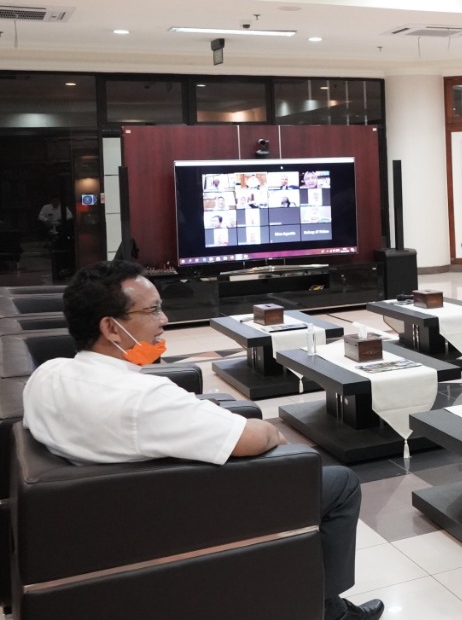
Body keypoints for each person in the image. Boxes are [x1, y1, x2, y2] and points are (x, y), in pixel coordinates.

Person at [21, 261, 384, 620]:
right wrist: (273, 434)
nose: (164, 320)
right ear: (111, 328)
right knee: (340, 483)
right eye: (153, 310)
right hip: (183, 516)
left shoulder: (48, 374)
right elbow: (252, 438)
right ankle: (329, 611)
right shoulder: (143, 400)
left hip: (106, 519)